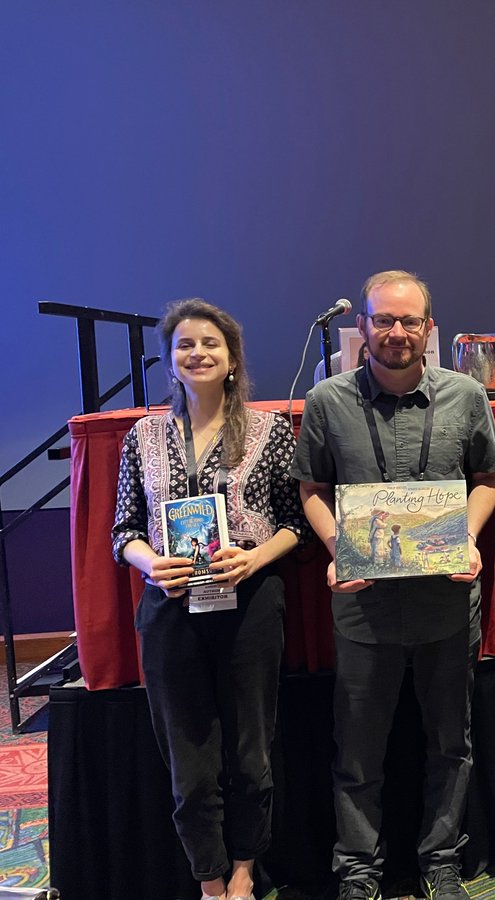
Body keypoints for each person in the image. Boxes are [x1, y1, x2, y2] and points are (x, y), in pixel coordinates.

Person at [292, 270, 495, 900]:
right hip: (365, 613)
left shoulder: (465, 396)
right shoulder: (328, 400)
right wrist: (340, 550)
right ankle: (359, 871)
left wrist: (465, 537)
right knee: (357, 753)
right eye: (384, 320)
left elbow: (488, 479)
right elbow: (312, 490)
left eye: (410, 321)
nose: (397, 332)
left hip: (444, 605)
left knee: (451, 744)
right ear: (362, 328)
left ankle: (441, 861)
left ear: (429, 329)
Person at [112, 298, 308, 900]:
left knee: (251, 750)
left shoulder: (272, 430)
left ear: (232, 360)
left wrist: (253, 558)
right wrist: (153, 563)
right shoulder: (141, 435)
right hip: (171, 609)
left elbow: (294, 522)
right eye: (185, 346)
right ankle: (209, 878)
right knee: (188, 759)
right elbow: (123, 532)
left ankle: (246, 870)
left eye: (210, 345)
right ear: (171, 364)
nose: (197, 353)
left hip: (249, 605)